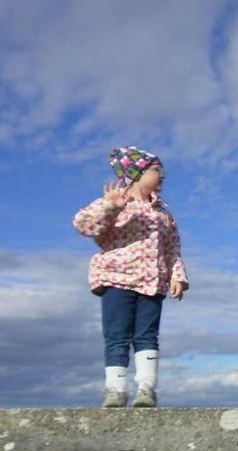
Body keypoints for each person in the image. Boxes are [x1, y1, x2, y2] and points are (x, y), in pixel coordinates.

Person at [73, 146, 188, 409]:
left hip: (152, 282)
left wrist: (177, 275)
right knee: (117, 335)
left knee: (147, 336)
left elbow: (172, 248)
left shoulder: (163, 214)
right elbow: (84, 225)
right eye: (157, 170)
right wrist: (110, 207)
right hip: (116, 279)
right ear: (137, 173)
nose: (163, 176)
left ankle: (146, 390)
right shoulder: (117, 201)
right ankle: (115, 391)